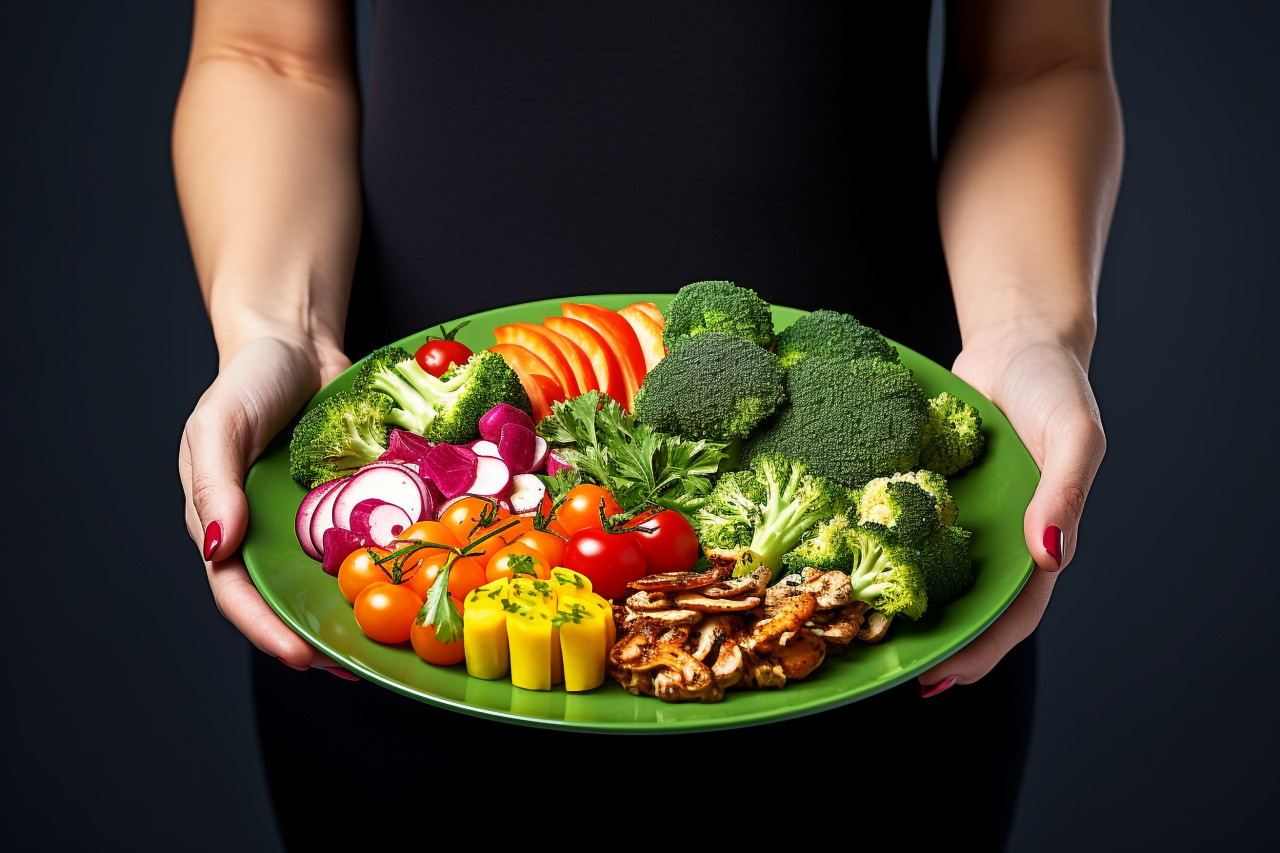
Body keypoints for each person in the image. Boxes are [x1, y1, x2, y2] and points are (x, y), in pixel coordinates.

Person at [175, 1, 1117, 847]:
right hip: (416, 602)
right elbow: (266, 52)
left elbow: (1036, 61)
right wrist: (279, 330)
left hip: (863, 637)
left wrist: (1022, 332)